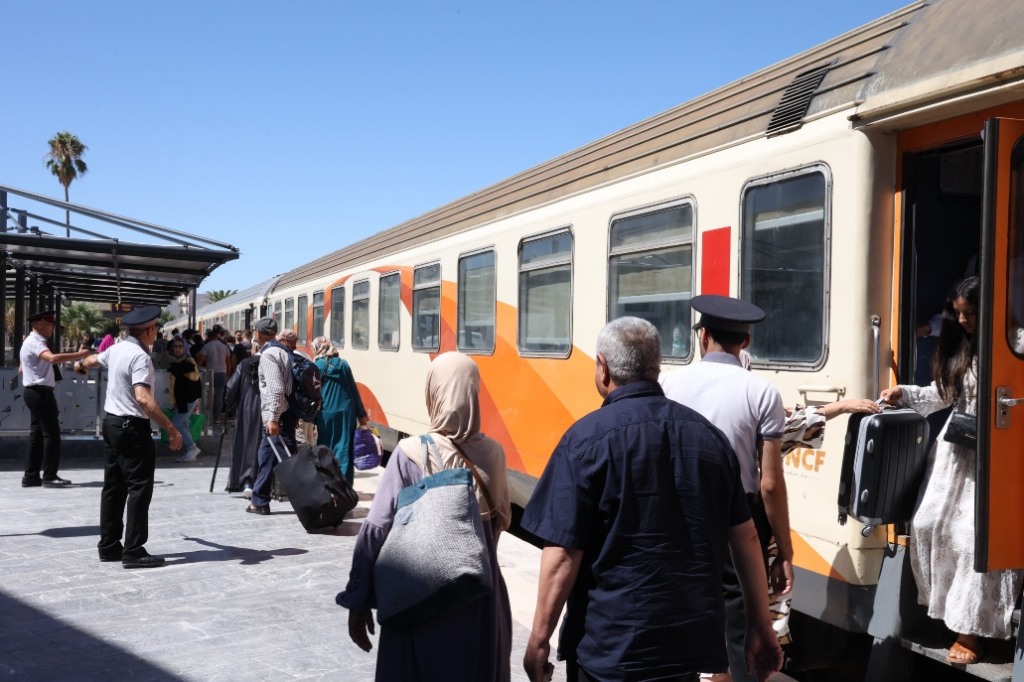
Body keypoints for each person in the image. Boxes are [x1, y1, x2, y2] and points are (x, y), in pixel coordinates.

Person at [521, 317, 781, 682]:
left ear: (603, 368)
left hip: (609, 650)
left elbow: (564, 554)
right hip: (685, 653)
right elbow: (746, 538)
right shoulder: (710, 438)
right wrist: (760, 623)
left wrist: (539, 640)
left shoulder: (584, 440)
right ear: (655, 368)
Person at [339, 352, 513, 681]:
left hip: (419, 597)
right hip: (479, 598)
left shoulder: (410, 453)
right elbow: (500, 523)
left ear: (434, 393)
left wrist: (359, 597)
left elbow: (376, 528)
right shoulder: (495, 454)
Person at [880, 276, 1023, 664]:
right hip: (957, 454)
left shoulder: (1018, 343)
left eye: (969, 313)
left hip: (997, 454)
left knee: (972, 537)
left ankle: (969, 632)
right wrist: (904, 393)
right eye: (957, 313)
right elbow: (942, 394)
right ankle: (951, 613)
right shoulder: (964, 345)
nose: (961, 321)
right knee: (928, 523)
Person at [659, 295, 789, 682]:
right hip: (739, 515)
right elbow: (769, 484)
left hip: (678, 511)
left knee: (679, 607)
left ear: (703, 336)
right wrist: (784, 550)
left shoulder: (668, 383)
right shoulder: (763, 393)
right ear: (745, 342)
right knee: (741, 621)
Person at [75, 306, 182, 568]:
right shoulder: (140, 356)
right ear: (149, 330)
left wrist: (80, 364)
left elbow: (93, 360)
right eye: (156, 329)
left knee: (114, 487)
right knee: (139, 488)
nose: (157, 334)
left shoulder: (117, 349)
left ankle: (109, 545)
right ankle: (133, 550)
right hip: (132, 427)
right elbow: (143, 399)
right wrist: (170, 428)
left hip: (111, 423)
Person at [19, 311, 92, 488]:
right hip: (40, 392)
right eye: (50, 324)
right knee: (51, 434)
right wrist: (79, 355)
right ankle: (49, 476)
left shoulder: (31, 342)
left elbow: (21, 369)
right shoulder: (35, 342)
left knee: (37, 434)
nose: (53, 328)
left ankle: (31, 476)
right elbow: (51, 359)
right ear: (39, 324)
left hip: (34, 391)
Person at [247, 317, 294, 515]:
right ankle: (259, 500)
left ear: (258, 333)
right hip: (284, 414)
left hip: (277, 417)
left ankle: (312, 498)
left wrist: (273, 419)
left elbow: (276, 389)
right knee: (266, 458)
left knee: (289, 463)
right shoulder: (283, 350)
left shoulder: (269, 355)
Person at [310, 336, 368, 484]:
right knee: (344, 447)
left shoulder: (318, 365)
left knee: (325, 446)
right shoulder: (344, 364)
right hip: (346, 412)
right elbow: (354, 390)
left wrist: (310, 416)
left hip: (326, 412)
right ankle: (344, 487)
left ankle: (328, 483)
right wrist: (362, 415)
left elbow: (313, 393)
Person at [225, 340, 262, 496]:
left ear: (256, 347)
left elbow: (230, 388)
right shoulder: (272, 363)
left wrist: (228, 406)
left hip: (245, 410)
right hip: (266, 410)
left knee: (244, 444)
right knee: (262, 445)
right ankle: (261, 481)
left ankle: (246, 481)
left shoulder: (243, 364)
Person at [167, 337, 202, 463]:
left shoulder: (189, 361)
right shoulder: (179, 361)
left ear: (185, 348)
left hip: (187, 398)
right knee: (184, 423)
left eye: (180, 346)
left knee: (177, 423)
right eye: (175, 346)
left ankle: (192, 447)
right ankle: (190, 452)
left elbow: (194, 377)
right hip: (182, 399)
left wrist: (178, 370)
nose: (177, 349)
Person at [202, 327, 231, 424]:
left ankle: (208, 415)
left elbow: (200, 360)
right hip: (222, 372)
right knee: (219, 395)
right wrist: (228, 374)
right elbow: (228, 361)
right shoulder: (224, 347)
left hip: (210, 373)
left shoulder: (207, 346)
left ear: (209, 337)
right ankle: (217, 417)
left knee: (209, 395)